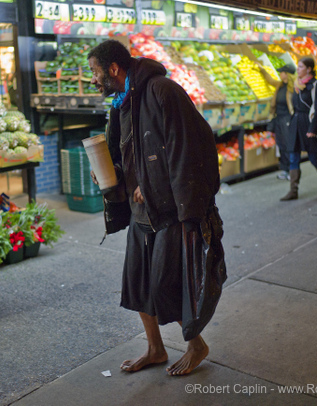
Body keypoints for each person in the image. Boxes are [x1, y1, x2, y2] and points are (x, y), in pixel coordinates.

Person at [87, 40, 226, 376]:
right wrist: (110, 175)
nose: (92, 80)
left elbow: (188, 152)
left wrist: (161, 195)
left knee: (166, 283)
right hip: (141, 212)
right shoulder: (121, 103)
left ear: (114, 69)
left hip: (169, 210)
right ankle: (155, 349)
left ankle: (197, 345)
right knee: (136, 283)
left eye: (94, 72)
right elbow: (127, 159)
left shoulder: (163, 91)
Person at [280, 57, 317, 201]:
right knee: (293, 157)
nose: (298, 69)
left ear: (309, 69)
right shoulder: (297, 84)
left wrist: (313, 129)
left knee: (313, 158)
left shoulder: (316, 85)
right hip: (296, 122)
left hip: (308, 124)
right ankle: (293, 190)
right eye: (298, 66)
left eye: (301, 67)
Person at [264, 64, 296, 180]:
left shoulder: (293, 87)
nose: (280, 74)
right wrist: (263, 70)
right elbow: (270, 80)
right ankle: (284, 169)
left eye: (282, 72)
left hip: (288, 118)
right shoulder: (280, 85)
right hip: (279, 118)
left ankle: (291, 170)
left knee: (288, 144)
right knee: (281, 144)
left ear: (287, 74)